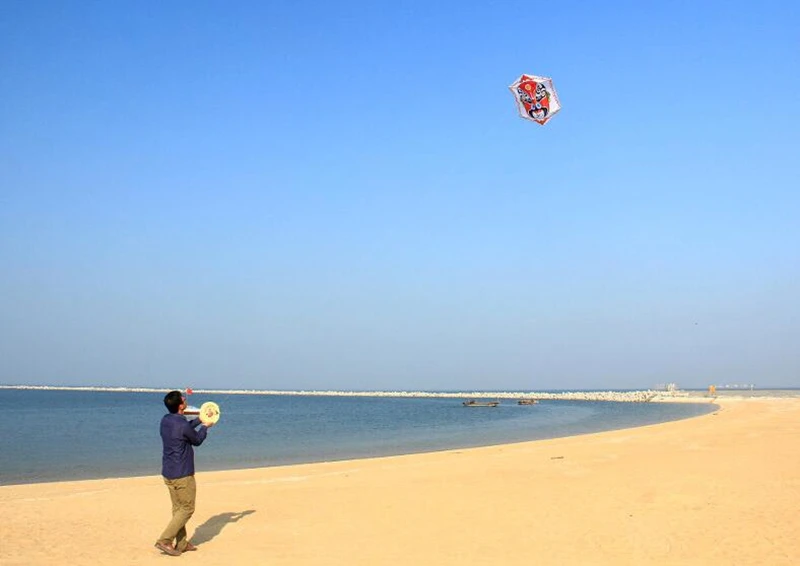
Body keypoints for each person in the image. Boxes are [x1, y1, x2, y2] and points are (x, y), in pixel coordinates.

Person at [154, 390, 213, 556]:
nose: (185, 398)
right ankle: (165, 540)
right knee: (187, 509)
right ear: (181, 405)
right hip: (182, 474)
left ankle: (181, 544)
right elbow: (197, 440)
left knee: (178, 509)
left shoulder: (166, 420)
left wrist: (199, 420)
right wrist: (205, 427)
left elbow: (185, 429)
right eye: (183, 398)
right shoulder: (182, 424)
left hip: (168, 472)